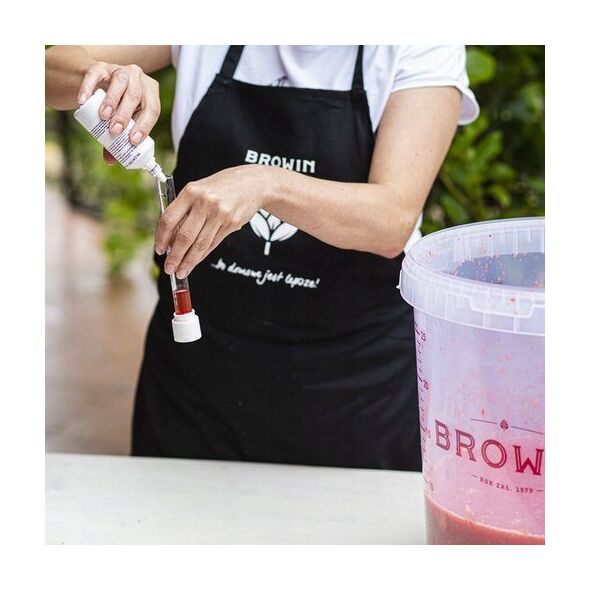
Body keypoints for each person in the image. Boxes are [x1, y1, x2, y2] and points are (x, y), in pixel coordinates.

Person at [45, 45, 478, 470]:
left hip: (354, 386)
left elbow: (391, 221)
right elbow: (47, 67)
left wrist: (267, 185)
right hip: (198, 377)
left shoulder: (418, 44)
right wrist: (103, 78)